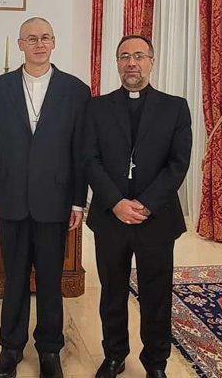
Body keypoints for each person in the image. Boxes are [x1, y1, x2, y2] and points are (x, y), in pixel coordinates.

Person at [0, 17, 91, 378]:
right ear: (20, 45)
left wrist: (78, 201)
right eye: (31, 38)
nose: (39, 44)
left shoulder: (76, 90)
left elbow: (81, 151)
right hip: (10, 199)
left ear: (54, 42)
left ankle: (49, 350)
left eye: (45, 38)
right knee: (14, 278)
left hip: (55, 201)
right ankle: (11, 347)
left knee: (49, 279)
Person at [82, 35, 192, 378]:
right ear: (117, 63)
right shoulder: (96, 107)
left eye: (139, 56)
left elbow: (178, 163)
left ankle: (155, 363)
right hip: (110, 217)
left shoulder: (175, 107)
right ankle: (114, 356)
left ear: (151, 62)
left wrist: (145, 204)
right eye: (125, 56)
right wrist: (115, 202)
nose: (132, 62)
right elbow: (89, 160)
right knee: (112, 293)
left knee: (156, 295)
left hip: (156, 218)